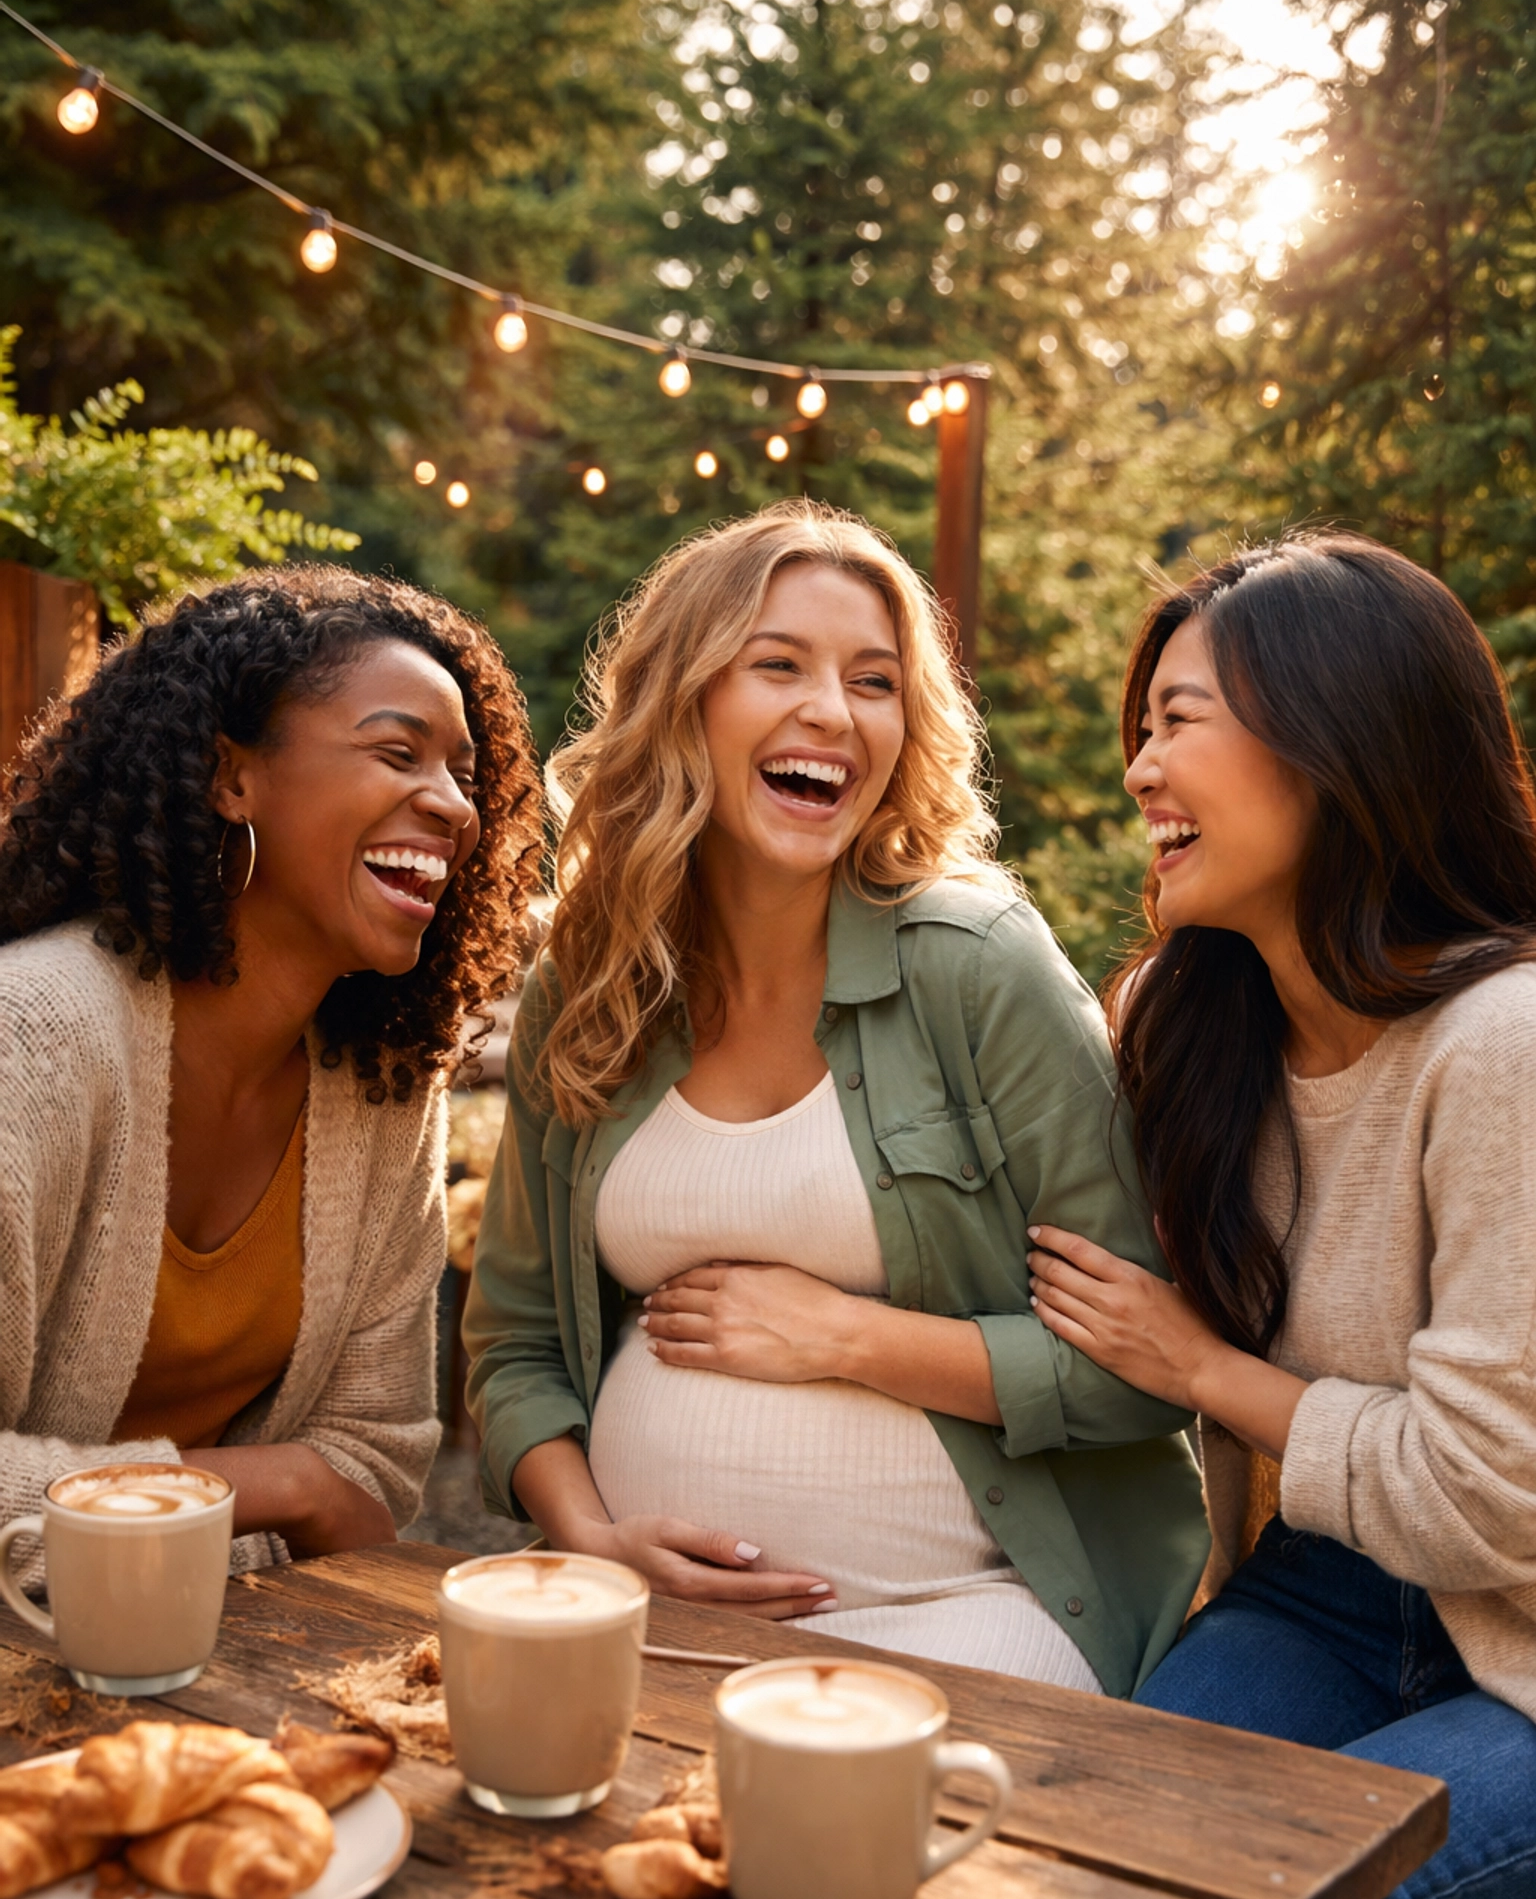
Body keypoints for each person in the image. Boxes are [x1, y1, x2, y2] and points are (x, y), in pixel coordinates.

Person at [1024, 532, 1536, 1899]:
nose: (1139, 768)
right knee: (1123, 1832)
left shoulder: (1505, 1044)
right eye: (1144, 725)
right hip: (1333, 1586)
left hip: (1527, 1632)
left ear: (1336, 740)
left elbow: (1490, 1495)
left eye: (1181, 720)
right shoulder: (1192, 1024)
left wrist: (1204, 1368)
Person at [466, 502, 1205, 1689]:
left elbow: (1143, 1367)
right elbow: (514, 1342)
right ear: (682, 702)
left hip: (970, 1606)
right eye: (779, 666)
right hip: (649, 1610)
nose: (834, 712)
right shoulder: (596, 980)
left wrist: (845, 1338)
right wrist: (592, 1539)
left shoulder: (978, 965)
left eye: (874, 682)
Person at [0, 564, 541, 1568]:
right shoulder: (29, 1038)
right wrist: (275, 1489)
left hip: (225, 1638)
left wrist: (187, 1543)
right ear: (231, 776)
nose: (453, 808)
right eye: (397, 753)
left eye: (464, 777)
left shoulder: (382, 1085)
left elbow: (372, 1462)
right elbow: (321, 1497)